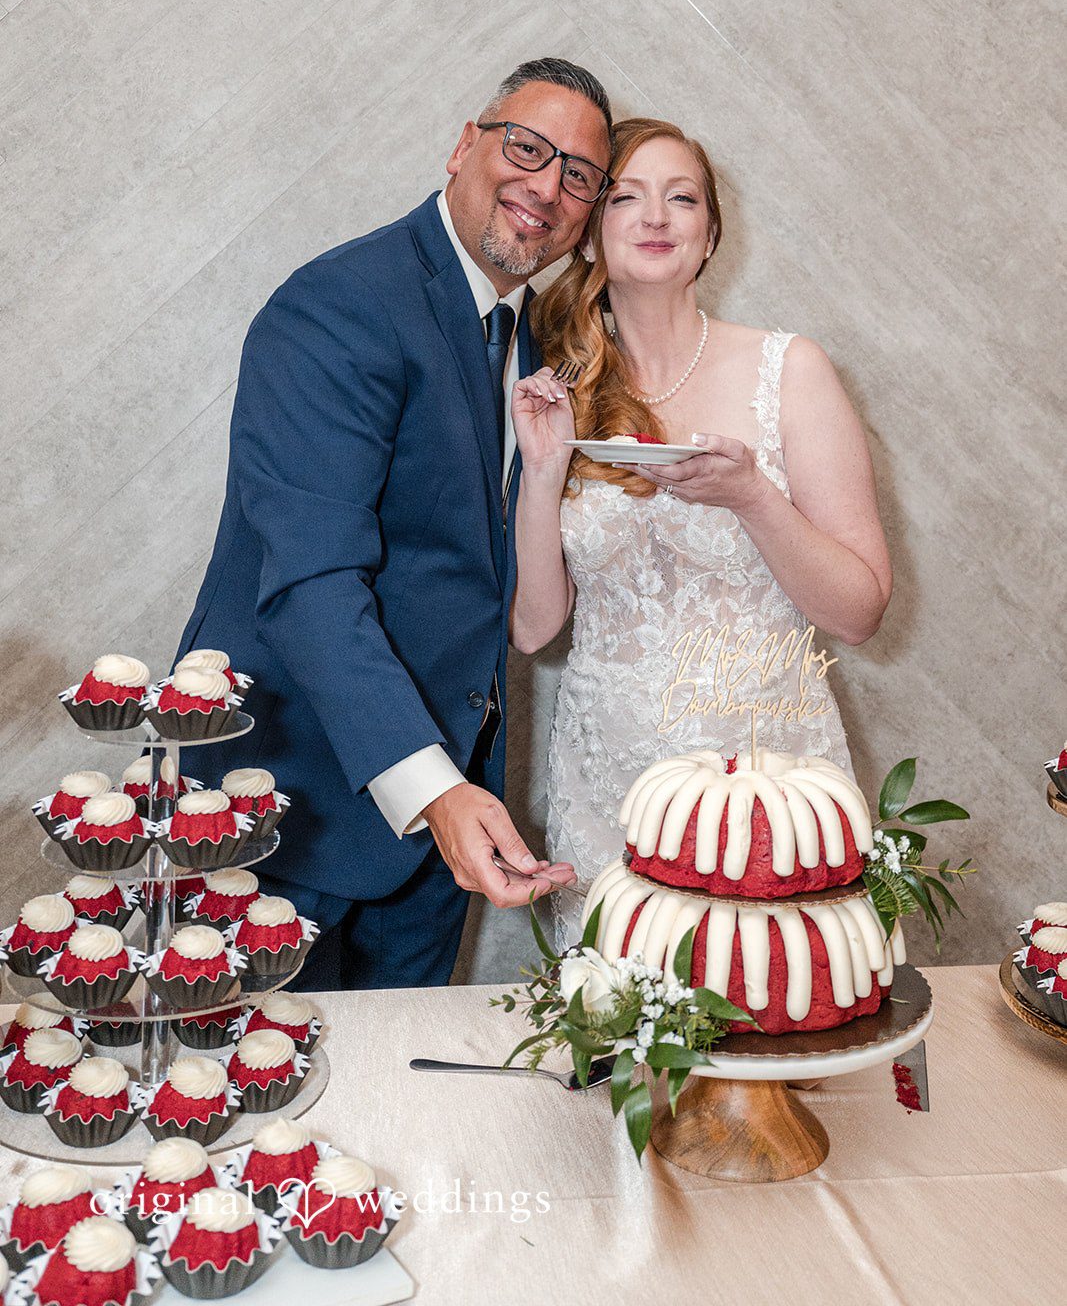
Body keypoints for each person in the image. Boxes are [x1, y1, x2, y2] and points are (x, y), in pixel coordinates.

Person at [175, 59, 614, 988]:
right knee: (270, 1119)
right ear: (464, 146)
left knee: (397, 1122)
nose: (546, 186)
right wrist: (434, 790)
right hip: (287, 819)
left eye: (578, 175)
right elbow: (310, 583)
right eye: (526, 148)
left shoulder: (529, 339)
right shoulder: (340, 305)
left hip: (432, 846)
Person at [509, 117, 893, 949]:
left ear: (710, 233)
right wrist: (542, 472)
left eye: (680, 198)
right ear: (590, 231)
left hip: (763, 772)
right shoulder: (558, 385)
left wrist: (750, 496)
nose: (655, 218)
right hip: (607, 778)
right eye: (626, 198)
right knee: (630, 1050)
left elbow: (858, 612)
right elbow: (535, 627)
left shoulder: (789, 371)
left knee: (773, 1022)